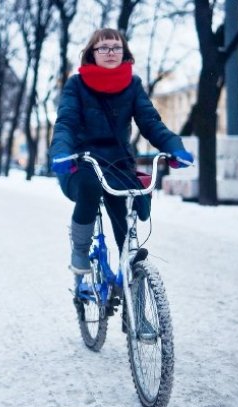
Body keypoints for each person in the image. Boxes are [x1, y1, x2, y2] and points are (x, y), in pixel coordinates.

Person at [49, 28, 193, 274]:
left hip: (118, 161)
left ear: (124, 52)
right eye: (103, 47)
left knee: (129, 205)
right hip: (82, 161)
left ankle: (131, 278)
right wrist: (61, 152)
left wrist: (173, 147)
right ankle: (81, 250)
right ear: (91, 53)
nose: (110, 52)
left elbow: (150, 122)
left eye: (116, 47)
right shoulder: (76, 85)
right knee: (90, 187)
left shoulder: (132, 85)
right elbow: (67, 123)